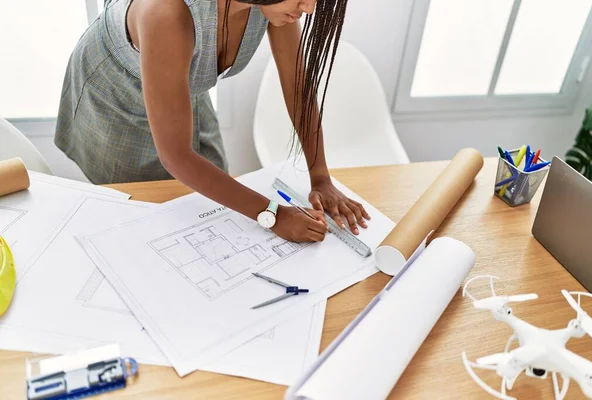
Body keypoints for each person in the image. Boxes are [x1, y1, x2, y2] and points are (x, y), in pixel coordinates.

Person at [54, 0, 370, 244]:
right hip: (115, 95)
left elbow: (298, 89)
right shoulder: (166, 13)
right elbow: (175, 156)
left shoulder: (276, 6)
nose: (310, 8)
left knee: (205, 197)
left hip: (180, 84)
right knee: (144, 215)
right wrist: (272, 215)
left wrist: (321, 178)